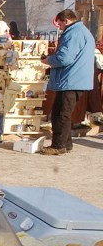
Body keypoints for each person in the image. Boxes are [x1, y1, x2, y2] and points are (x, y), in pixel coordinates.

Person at [40, 9, 95, 155]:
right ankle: (66, 143)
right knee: (62, 112)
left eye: (60, 24)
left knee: (60, 114)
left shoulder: (73, 33)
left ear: (66, 20)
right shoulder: (82, 31)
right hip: (75, 79)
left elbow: (65, 58)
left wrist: (48, 60)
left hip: (71, 79)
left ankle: (58, 146)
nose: (60, 27)